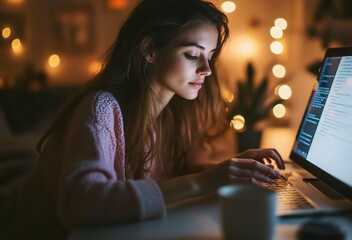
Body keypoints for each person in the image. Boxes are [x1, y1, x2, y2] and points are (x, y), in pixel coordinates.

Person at [7, 0, 285, 239]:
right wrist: (204, 181)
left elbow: (166, 175)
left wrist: (232, 170)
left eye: (210, 57)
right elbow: (83, 203)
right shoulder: (100, 108)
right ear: (150, 50)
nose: (206, 69)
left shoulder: (169, 115)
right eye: (192, 54)